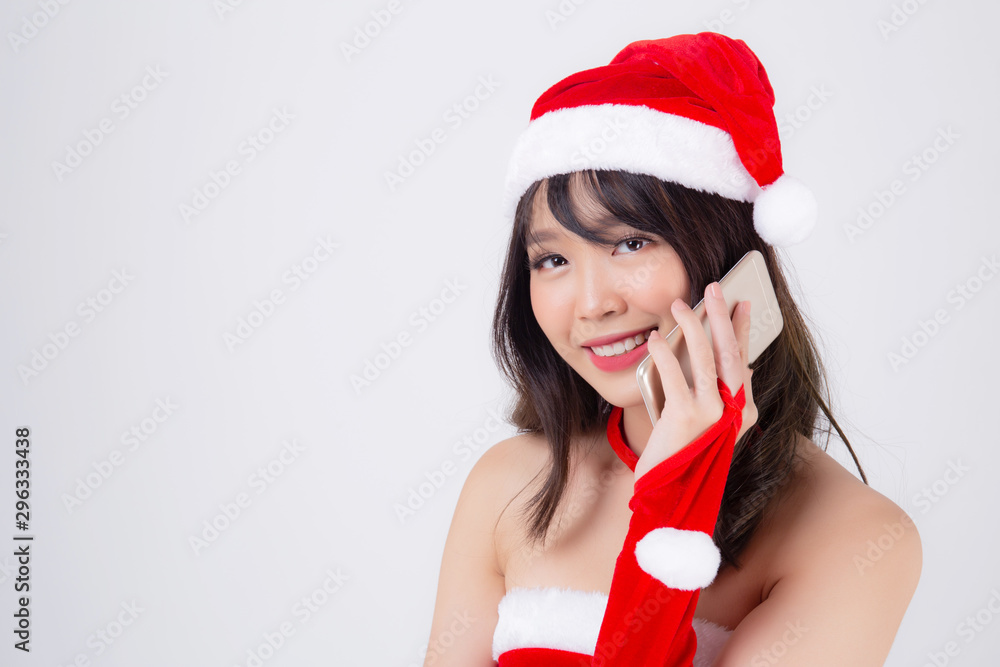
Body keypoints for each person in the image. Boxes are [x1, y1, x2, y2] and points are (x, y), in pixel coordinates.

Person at [425, 33, 921, 666]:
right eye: (551, 259)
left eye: (631, 244)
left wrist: (676, 500)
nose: (591, 305)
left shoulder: (855, 536)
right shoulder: (509, 485)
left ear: (732, 256)